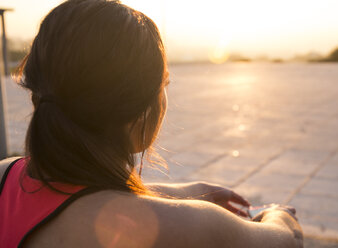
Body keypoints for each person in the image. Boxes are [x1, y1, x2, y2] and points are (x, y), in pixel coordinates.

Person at [0, 0, 303, 247]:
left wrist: (185, 192)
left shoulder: (5, 174)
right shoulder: (192, 229)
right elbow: (286, 241)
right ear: (140, 108)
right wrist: (278, 215)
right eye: (164, 84)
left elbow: (77, 192)